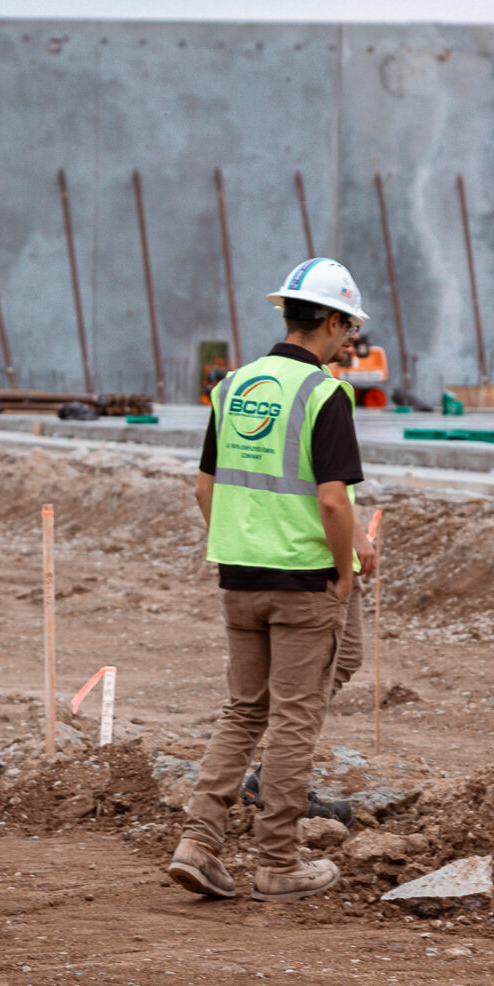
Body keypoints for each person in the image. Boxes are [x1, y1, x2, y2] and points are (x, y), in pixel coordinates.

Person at [166, 259, 376, 904]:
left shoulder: (233, 386)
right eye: (348, 328)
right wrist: (345, 570)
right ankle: (278, 861)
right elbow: (335, 502)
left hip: (239, 576)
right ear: (333, 320)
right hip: (303, 580)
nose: (350, 341)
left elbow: (206, 485)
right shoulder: (322, 394)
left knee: (243, 711)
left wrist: (242, 538)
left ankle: (199, 843)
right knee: (294, 719)